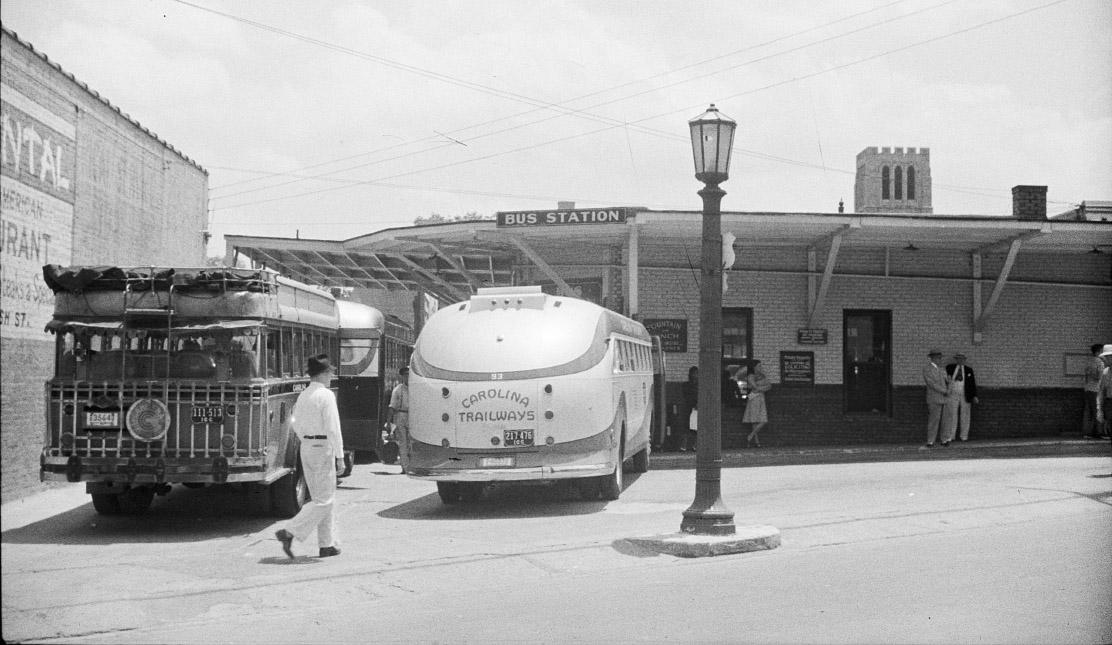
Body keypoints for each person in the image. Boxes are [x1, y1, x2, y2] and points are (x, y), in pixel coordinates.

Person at [275, 354, 344, 559]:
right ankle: (290, 532)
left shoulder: (303, 395)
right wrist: (340, 455)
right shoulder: (326, 395)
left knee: (320, 498)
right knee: (325, 500)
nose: (331, 376)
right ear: (323, 374)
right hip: (323, 446)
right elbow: (333, 428)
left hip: (306, 446)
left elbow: (294, 422)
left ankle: (326, 545)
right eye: (330, 372)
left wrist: (305, 438)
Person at [943, 353, 980, 442]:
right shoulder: (949, 368)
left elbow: (972, 384)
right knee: (952, 415)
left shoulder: (969, 370)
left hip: (965, 394)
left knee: (965, 415)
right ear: (956, 359)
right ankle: (951, 436)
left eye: (962, 359)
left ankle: (964, 436)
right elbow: (944, 379)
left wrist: (974, 396)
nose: (960, 360)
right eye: (958, 359)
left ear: (964, 360)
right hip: (952, 394)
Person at [923, 348, 951, 447]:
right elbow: (932, 384)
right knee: (934, 420)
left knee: (945, 420)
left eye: (940, 357)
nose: (940, 359)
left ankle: (944, 439)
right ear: (932, 358)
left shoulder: (942, 369)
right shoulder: (927, 369)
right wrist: (944, 390)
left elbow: (947, 381)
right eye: (938, 357)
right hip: (934, 398)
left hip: (944, 398)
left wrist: (949, 383)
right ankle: (930, 441)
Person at [385, 367, 410, 468]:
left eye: (409, 374)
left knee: (412, 442)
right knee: (403, 442)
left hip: (413, 416)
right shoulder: (398, 390)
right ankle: (405, 466)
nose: (407, 377)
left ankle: (412, 464)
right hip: (400, 415)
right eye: (405, 375)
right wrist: (388, 422)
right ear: (402, 377)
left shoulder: (417, 389)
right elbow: (392, 406)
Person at [742, 360, 771, 447]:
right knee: (754, 421)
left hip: (761, 398)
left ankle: (750, 436)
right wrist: (763, 387)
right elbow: (755, 387)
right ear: (754, 367)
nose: (760, 368)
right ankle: (757, 442)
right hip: (754, 398)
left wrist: (760, 387)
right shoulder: (751, 376)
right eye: (759, 366)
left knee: (763, 420)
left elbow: (769, 386)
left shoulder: (763, 375)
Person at [1082, 343, 1106, 439]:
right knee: (1097, 410)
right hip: (1096, 389)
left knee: (1088, 411)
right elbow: (1099, 377)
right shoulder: (1100, 363)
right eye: (1102, 351)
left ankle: (1087, 432)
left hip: (1087, 388)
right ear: (1098, 352)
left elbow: (1086, 376)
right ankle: (1097, 432)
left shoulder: (1088, 361)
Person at [1094, 345, 1112, 439]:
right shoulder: (1105, 372)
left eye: (1107, 357)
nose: (1104, 360)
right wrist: (1099, 409)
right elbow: (1101, 391)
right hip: (1109, 402)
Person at [680, 366, 698, 451]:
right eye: (693, 373)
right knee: (686, 426)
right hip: (688, 407)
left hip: (697, 408)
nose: (695, 375)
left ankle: (695, 445)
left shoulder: (700, 385)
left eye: (696, 373)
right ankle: (684, 445)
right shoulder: (686, 385)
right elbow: (685, 396)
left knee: (696, 427)